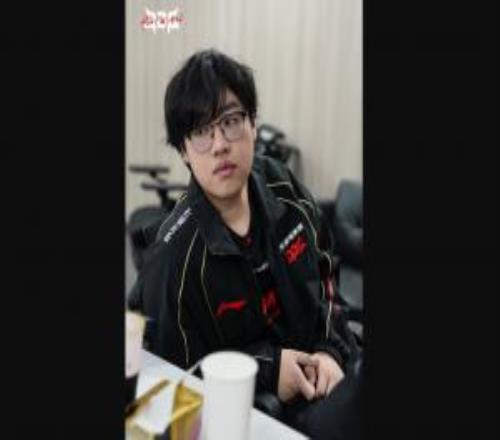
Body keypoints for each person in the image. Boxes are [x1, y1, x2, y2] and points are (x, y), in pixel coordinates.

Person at [128, 49, 361, 439]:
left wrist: (330, 351)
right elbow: (175, 382)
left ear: (253, 124)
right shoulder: (172, 260)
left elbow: (326, 272)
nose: (220, 144)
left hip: (326, 378)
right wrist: (268, 370)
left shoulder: (283, 186)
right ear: (184, 151)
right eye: (201, 131)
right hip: (254, 416)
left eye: (231, 121)